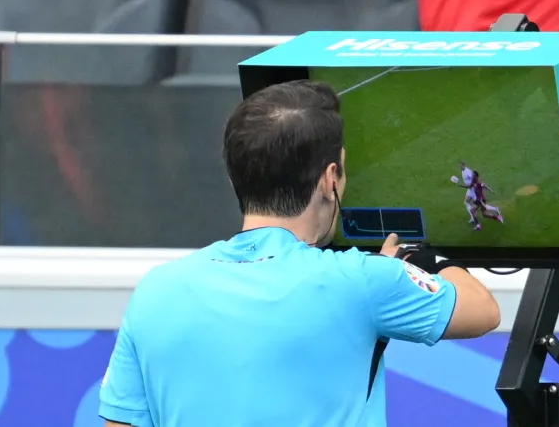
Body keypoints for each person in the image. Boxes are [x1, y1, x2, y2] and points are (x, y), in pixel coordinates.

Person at [99, 80, 501, 427]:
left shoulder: (156, 290)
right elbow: (482, 309)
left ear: (234, 176)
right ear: (330, 180)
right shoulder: (364, 279)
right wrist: (415, 261)